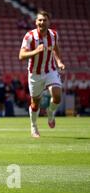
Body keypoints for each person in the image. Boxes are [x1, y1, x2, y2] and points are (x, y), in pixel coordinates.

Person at [19, 10, 65, 138]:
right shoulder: (29, 36)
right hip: (34, 74)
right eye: (39, 20)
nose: (42, 22)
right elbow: (21, 55)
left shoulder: (54, 35)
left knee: (57, 95)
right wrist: (35, 51)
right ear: (36, 22)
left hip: (50, 70)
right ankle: (34, 127)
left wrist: (59, 62)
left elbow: (55, 48)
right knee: (35, 103)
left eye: (44, 20)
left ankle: (50, 113)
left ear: (48, 22)